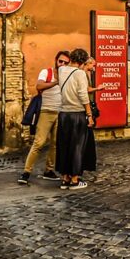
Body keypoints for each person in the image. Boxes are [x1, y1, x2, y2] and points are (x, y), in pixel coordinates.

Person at [18, 50, 70, 185]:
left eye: (65, 62)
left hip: (61, 112)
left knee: (55, 144)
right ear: (56, 60)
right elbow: (39, 85)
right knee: (39, 143)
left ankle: (49, 170)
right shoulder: (47, 72)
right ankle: (26, 172)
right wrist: (55, 82)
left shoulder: (68, 75)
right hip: (46, 112)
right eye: (60, 61)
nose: (62, 64)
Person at [55, 48, 95, 189]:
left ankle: (65, 178)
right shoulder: (80, 74)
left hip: (63, 113)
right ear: (83, 61)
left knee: (64, 146)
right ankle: (75, 179)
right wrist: (89, 115)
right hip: (77, 113)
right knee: (77, 146)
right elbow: (83, 96)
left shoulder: (61, 70)